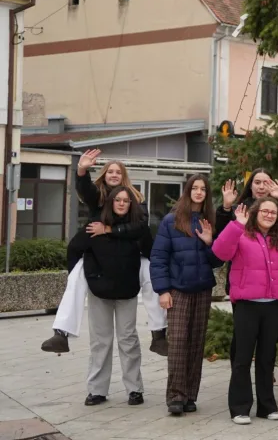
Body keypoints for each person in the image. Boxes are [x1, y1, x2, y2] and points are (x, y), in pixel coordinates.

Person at [41, 149, 167, 356]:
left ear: (124, 176)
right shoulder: (97, 197)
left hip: (133, 253)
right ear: (104, 175)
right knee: (76, 277)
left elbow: (140, 226)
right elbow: (86, 190)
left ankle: (159, 334)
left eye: (118, 172)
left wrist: (109, 229)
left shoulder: (137, 199)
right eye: (110, 171)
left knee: (153, 279)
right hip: (100, 253)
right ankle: (61, 333)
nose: (114, 175)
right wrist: (81, 171)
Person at [212, 199, 278, 425]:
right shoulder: (241, 233)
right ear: (255, 212)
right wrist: (236, 225)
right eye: (265, 211)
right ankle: (239, 407)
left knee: (267, 357)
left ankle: (267, 406)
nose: (269, 215)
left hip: (272, 304)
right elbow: (220, 252)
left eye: (273, 212)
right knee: (242, 357)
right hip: (246, 304)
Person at [150, 175, 223, 416]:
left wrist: (210, 242)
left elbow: (217, 261)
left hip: (202, 289)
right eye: (195, 188)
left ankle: (191, 395)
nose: (199, 192)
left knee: (196, 343)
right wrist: (163, 290)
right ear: (188, 191)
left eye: (203, 189)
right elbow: (158, 258)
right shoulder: (171, 221)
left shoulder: (209, 220)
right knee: (179, 343)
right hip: (178, 290)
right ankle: (176, 396)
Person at [216, 168, 278, 364]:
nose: (262, 186)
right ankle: (239, 374)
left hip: (271, 286)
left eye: (266, 182)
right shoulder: (240, 209)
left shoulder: (277, 208)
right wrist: (226, 208)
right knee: (242, 338)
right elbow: (222, 236)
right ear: (250, 185)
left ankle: (266, 375)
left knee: (267, 342)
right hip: (243, 284)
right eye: (257, 182)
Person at [81, 186, 154, 407]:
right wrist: (91, 276)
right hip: (99, 292)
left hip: (126, 291)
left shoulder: (138, 229)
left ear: (131, 204)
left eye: (126, 201)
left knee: (128, 340)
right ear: (111, 202)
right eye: (118, 200)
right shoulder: (96, 225)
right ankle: (97, 390)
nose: (122, 203)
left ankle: (134, 389)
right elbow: (76, 249)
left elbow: (151, 252)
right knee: (100, 341)